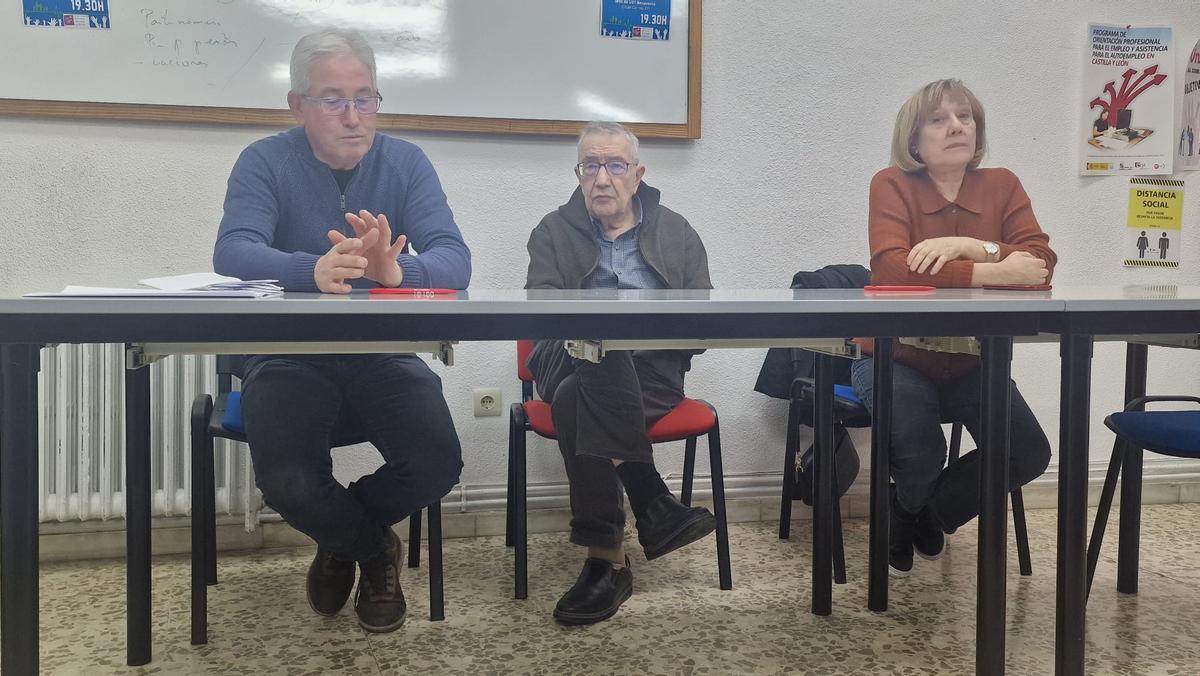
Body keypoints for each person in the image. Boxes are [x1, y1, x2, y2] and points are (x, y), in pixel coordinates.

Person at [213, 28, 471, 632]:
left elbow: (456, 261)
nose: (354, 117)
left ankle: (342, 537)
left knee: (437, 463)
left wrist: (395, 270)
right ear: (297, 105)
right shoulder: (264, 160)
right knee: (289, 483)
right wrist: (311, 270)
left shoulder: (405, 162)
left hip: (381, 351)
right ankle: (374, 550)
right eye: (333, 100)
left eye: (365, 98)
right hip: (287, 356)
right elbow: (233, 251)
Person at [850, 79, 1054, 576]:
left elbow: (1041, 264)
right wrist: (995, 270)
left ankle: (917, 514)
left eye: (965, 116)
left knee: (1028, 451)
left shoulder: (1002, 184)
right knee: (922, 453)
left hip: (968, 360)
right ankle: (915, 502)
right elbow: (892, 271)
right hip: (893, 356)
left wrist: (969, 246)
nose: (957, 126)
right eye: (939, 119)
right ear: (914, 139)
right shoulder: (892, 183)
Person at [524, 121, 716, 624]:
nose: (602, 178)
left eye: (614, 165)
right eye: (591, 165)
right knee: (595, 348)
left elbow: (701, 323)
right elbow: (538, 314)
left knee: (573, 402)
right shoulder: (552, 230)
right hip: (564, 356)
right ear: (578, 173)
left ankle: (605, 562)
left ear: (637, 174)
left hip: (651, 374)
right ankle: (651, 497)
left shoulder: (676, 230)